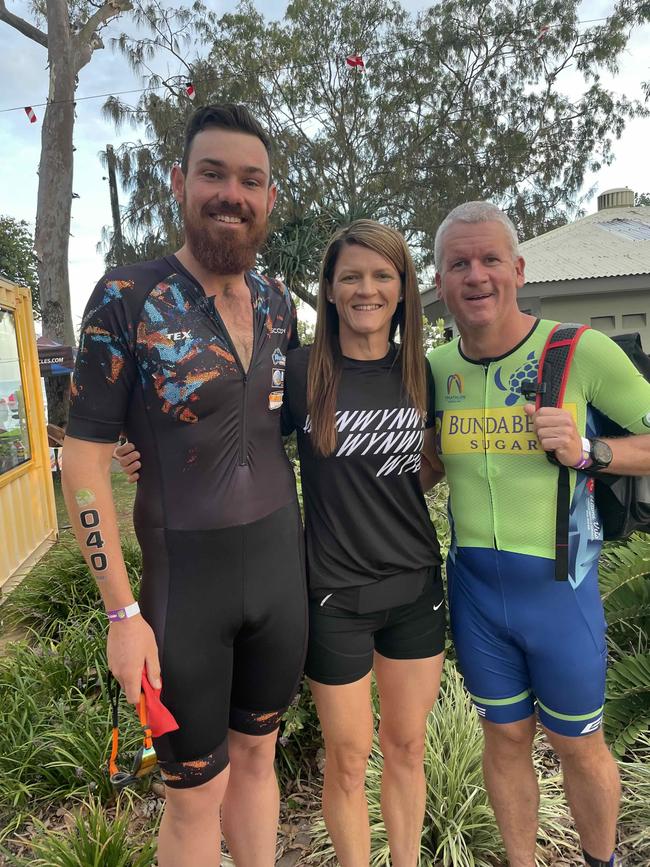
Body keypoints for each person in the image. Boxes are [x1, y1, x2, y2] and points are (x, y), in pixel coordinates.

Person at [120, 219, 447, 866]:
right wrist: (152, 454)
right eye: (351, 275)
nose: (367, 289)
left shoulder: (422, 372)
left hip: (415, 587)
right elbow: (224, 428)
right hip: (334, 593)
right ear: (327, 289)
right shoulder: (299, 373)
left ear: (405, 289)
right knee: (350, 759)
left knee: (408, 749)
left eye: (384, 276)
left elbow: (429, 463)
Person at [62, 104, 307, 867]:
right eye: (213, 174)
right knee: (194, 795)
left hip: (278, 576)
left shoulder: (276, 305)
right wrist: (121, 613)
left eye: (250, 180)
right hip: (180, 596)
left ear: (270, 198)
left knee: (260, 760)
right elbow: (83, 461)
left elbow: (278, 428)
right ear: (178, 183)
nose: (230, 193)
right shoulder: (126, 296)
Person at [427, 200, 650, 867]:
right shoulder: (436, 369)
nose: (476, 276)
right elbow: (415, 464)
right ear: (439, 281)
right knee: (505, 738)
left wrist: (591, 450)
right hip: (474, 589)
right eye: (458, 263)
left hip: (560, 590)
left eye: (490, 259)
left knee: (579, 742)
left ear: (519, 269)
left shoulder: (579, 350)